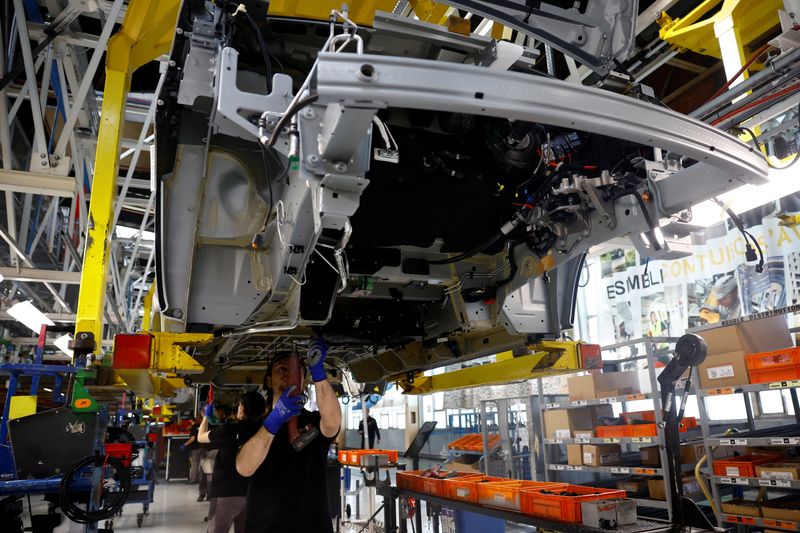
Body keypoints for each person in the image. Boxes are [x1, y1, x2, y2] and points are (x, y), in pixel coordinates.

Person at [236, 340, 341, 533]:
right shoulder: (253, 426)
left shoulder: (315, 421)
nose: (288, 373)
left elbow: (333, 423)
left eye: (295, 371)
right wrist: (273, 422)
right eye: (280, 369)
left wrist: (318, 371)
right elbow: (244, 468)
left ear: (303, 380)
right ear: (269, 380)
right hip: (265, 527)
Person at [198, 392, 265, 533]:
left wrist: (205, 417)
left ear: (242, 408)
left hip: (225, 494)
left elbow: (201, 437)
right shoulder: (264, 432)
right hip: (253, 494)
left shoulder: (229, 429)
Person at [182, 415, 203, 485]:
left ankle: (193, 480)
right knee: (200, 464)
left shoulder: (193, 427)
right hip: (201, 447)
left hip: (194, 448)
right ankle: (201, 480)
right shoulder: (200, 425)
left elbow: (192, 439)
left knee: (194, 465)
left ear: (190, 420)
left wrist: (184, 444)